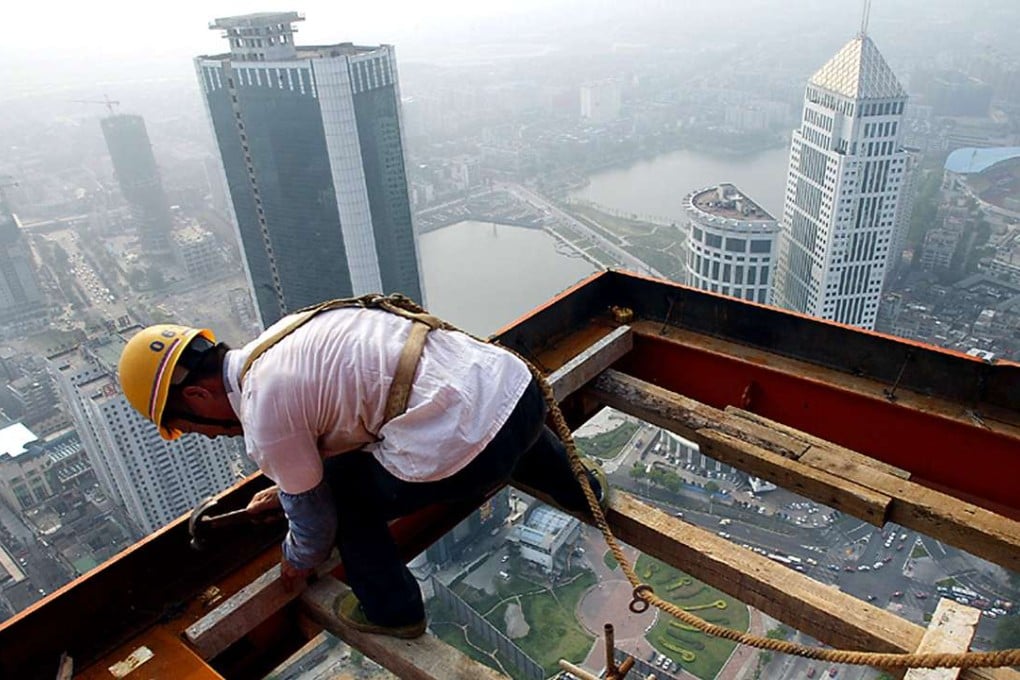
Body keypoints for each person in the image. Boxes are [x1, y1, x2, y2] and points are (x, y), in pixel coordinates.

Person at [118, 297, 607, 639]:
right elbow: (341, 411)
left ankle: (394, 612)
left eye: (192, 426)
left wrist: (296, 557)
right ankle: (583, 490)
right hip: (517, 390)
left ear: (198, 396)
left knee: (344, 498)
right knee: (487, 413)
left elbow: (315, 522)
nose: (208, 434)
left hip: (475, 450)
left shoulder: (263, 413)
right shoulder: (289, 332)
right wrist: (285, 488)